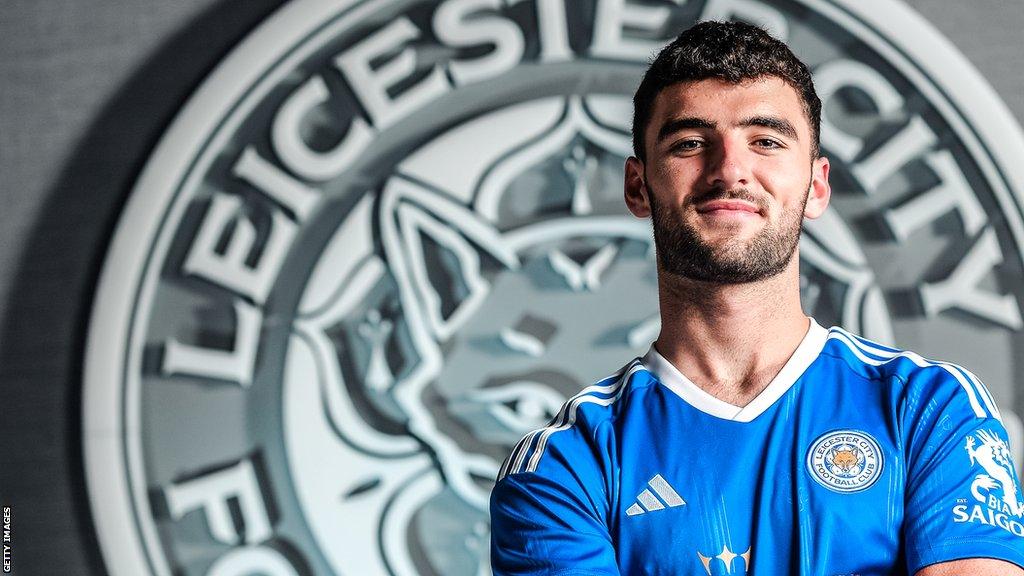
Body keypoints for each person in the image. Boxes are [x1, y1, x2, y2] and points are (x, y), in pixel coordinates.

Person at [489, 20, 1024, 575]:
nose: (730, 171)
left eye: (765, 141)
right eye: (691, 143)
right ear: (637, 186)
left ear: (816, 186)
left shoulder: (927, 407)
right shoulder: (565, 467)